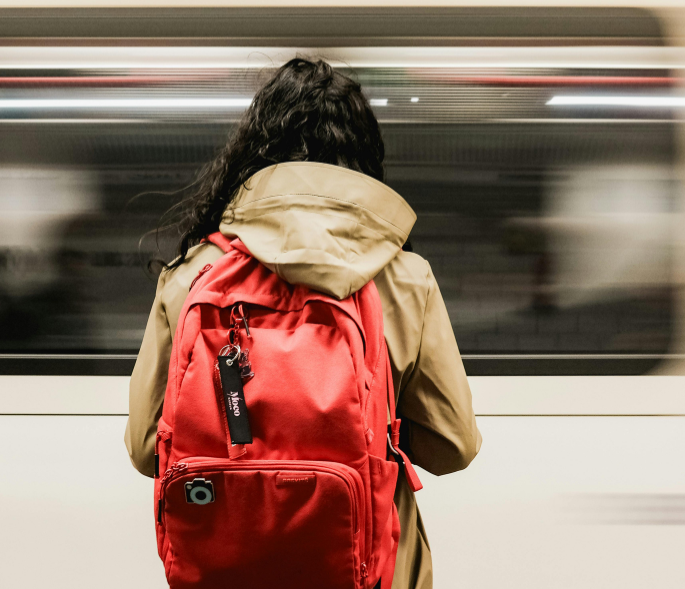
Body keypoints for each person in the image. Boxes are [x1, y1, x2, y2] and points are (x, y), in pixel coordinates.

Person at [124, 57, 482, 589]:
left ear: (251, 153)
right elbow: (453, 446)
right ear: (363, 157)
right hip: (369, 572)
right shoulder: (406, 279)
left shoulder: (193, 274)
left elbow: (147, 447)